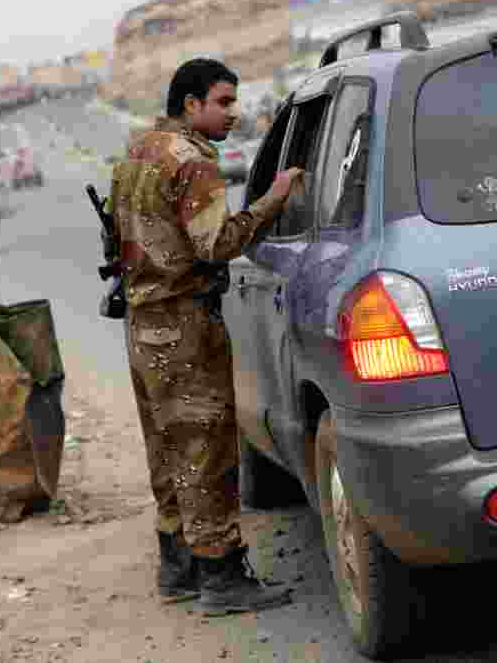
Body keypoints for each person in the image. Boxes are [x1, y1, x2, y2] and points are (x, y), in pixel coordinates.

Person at [107, 58, 304, 616]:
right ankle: (221, 578)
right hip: (184, 323)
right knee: (206, 450)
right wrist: (274, 199)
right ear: (191, 105)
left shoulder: (138, 153)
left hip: (143, 324)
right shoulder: (192, 163)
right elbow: (216, 244)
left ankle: (179, 570)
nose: (232, 114)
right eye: (223, 102)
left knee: (167, 449)